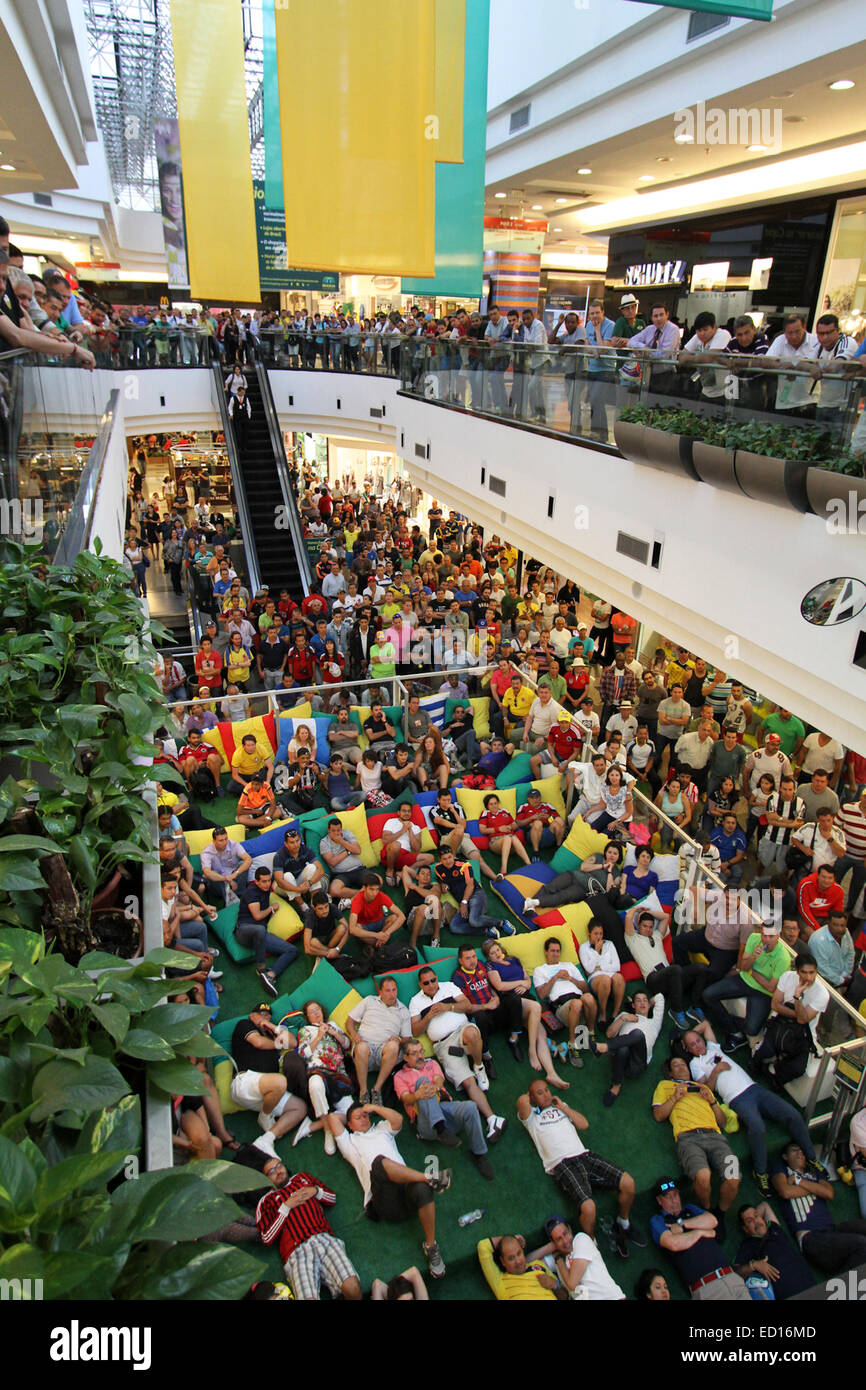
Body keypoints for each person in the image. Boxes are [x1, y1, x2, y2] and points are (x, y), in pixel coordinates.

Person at [684, 1019, 817, 1196]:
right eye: (692, 1045)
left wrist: (688, 1034)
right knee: (757, 1127)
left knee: (792, 1114)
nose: (698, 1045)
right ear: (688, 1050)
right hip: (737, 1098)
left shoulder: (713, 1047)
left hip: (755, 1089)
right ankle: (760, 1172)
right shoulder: (695, 1063)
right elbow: (705, 1088)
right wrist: (716, 1071)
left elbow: (707, 1024)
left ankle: (812, 1159)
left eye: (698, 1041)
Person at [517, 1081, 642, 1258]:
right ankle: (591, 1243)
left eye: (546, 1090)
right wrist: (529, 1097)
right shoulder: (531, 1119)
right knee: (589, 1208)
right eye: (539, 1093)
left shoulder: (561, 1107)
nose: (546, 1094)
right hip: (563, 1164)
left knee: (629, 1183)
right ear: (532, 1097)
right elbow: (521, 1102)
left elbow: (584, 1124)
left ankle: (624, 1222)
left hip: (585, 1156)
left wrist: (564, 1108)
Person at [326, 1103, 451, 1280]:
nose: (363, 1119)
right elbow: (332, 1118)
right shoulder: (349, 1142)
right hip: (385, 1199)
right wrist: (349, 1114)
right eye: (358, 1118)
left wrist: (373, 1108)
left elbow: (398, 1119)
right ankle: (429, 1178)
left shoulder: (382, 1129)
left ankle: (431, 1246)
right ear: (349, 1125)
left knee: (422, 1188)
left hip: (407, 1188)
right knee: (378, 1163)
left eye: (365, 1116)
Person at [238, 1137, 361, 1301]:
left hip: (324, 1240)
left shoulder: (303, 1179)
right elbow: (266, 1238)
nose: (278, 1171)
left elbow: (332, 1198)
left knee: (352, 1288)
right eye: (271, 1172)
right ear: (266, 1179)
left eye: (279, 1166)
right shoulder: (266, 1201)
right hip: (296, 1254)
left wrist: (316, 1191)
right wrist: (285, 1208)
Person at [408, 966, 508, 1144]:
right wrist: (428, 1016)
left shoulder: (449, 986)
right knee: (468, 1082)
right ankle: (493, 1119)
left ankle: (479, 1066)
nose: (431, 985)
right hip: (444, 1044)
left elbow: (468, 1006)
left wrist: (448, 1007)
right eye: (426, 983)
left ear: (437, 978)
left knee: (472, 1033)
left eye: (433, 980)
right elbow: (415, 1030)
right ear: (420, 984)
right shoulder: (415, 1001)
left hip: (462, 1030)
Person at [653, 1054, 740, 1223]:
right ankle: (707, 1209)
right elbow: (658, 1115)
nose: (681, 1067)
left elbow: (722, 1122)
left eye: (683, 1064)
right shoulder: (664, 1086)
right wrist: (674, 1097)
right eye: (676, 1065)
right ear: (670, 1073)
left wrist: (712, 1102)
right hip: (688, 1138)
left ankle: (720, 1214)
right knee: (703, 1175)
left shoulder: (702, 1087)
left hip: (716, 1136)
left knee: (734, 1176)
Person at [393, 1038, 494, 1179]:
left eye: (421, 1051)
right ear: (405, 1057)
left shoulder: (432, 1063)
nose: (420, 1056)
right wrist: (417, 1094)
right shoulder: (399, 1076)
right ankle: (440, 1129)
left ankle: (479, 1154)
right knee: (422, 1082)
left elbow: (439, 1080)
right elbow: (406, 1099)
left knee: (471, 1106)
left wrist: (435, 1087)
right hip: (426, 1124)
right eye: (415, 1053)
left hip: (446, 1110)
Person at [482, 938, 570, 1088]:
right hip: (511, 1001)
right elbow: (500, 986)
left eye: (497, 950)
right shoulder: (491, 966)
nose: (496, 954)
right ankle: (531, 1051)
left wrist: (526, 984)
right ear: (488, 956)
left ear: (501, 949)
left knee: (541, 1035)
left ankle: (552, 1074)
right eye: (492, 953)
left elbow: (526, 979)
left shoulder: (514, 959)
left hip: (526, 999)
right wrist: (520, 983)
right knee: (536, 1007)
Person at [771, 1140, 866, 1275]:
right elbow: (786, 1192)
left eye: (802, 1151)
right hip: (810, 1238)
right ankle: (844, 1292)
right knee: (862, 1244)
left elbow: (829, 1193)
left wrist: (798, 1182)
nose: (800, 1153)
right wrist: (817, 1189)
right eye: (794, 1150)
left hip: (832, 1231)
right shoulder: (780, 1168)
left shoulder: (815, 1172)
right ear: (785, 1156)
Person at [650, 1177, 750, 1301]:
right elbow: (673, 1243)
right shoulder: (658, 1220)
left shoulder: (689, 1209)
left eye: (675, 1195)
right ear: (660, 1201)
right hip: (707, 1288)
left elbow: (712, 1221)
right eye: (668, 1197)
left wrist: (683, 1224)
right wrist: (701, 1232)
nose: (674, 1200)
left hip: (732, 1278)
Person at [701, 920, 789, 1050]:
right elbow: (743, 967)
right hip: (744, 980)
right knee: (708, 995)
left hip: (763, 993)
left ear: (778, 936)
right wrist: (753, 958)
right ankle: (734, 1032)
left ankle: (736, 1029)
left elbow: (770, 987)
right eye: (764, 935)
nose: (766, 939)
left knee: (752, 1029)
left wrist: (753, 972)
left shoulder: (783, 958)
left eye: (771, 936)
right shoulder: (754, 939)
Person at [229, 1005, 308, 1137]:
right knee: (280, 1082)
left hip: (268, 1095)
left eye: (268, 1016)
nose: (265, 1017)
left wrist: (272, 1026)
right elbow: (258, 1043)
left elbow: (293, 1043)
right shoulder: (245, 1024)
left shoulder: (271, 1037)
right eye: (262, 1014)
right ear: (252, 1015)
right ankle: (265, 1116)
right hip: (245, 1082)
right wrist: (279, 1044)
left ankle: (267, 1139)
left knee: (300, 1108)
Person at [532, 937, 600, 1068]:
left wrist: (570, 978)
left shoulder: (569, 965)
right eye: (552, 951)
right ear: (546, 952)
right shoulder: (540, 970)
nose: (556, 954)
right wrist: (555, 977)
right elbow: (541, 994)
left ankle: (590, 1033)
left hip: (580, 1001)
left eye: (558, 951)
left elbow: (586, 989)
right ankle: (573, 1044)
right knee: (576, 1003)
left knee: (589, 998)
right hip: (562, 1006)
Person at [345, 975, 412, 1104]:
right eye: (387, 990)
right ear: (380, 991)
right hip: (365, 1048)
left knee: (393, 1046)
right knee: (362, 1047)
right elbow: (350, 1022)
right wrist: (354, 1035)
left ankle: (377, 1089)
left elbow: (407, 1038)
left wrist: (399, 1040)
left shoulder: (403, 1010)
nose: (392, 994)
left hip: (385, 1052)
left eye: (394, 990)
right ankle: (363, 1091)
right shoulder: (369, 1001)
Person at [235, 866, 298, 995]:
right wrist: (271, 908)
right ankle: (261, 968)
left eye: (269, 880)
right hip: (244, 931)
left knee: (292, 950)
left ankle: (270, 975)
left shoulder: (268, 889)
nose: (267, 883)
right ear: (256, 881)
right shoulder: (251, 891)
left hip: (261, 934)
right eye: (264, 881)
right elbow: (257, 916)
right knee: (259, 930)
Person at [733, 1202, 815, 1301]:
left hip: (810, 1285)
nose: (756, 1221)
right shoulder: (748, 1244)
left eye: (756, 1216)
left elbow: (765, 1206)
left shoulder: (774, 1227)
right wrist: (753, 1265)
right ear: (745, 1229)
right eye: (749, 1221)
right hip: (789, 1292)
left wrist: (756, 1218)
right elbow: (735, 1274)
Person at [534, 1215, 626, 1301]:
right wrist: (549, 1247)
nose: (565, 1241)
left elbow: (572, 1284)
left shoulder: (581, 1240)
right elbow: (527, 1263)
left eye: (565, 1234)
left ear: (570, 1229)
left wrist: (559, 1261)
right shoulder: (558, 1261)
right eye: (559, 1239)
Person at [476, 1234, 559, 1301]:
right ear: (503, 1261)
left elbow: (566, 1296)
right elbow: (483, 1247)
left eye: (519, 1254)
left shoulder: (539, 1265)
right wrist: (511, 1239)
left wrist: (556, 1286)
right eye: (511, 1258)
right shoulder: (500, 1282)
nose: (518, 1261)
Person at [579, 923, 626, 1030]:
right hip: (596, 978)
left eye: (601, 933)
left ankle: (615, 1013)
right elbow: (589, 969)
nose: (599, 937)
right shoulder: (584, 947)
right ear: (589, 933)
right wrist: (596, 951)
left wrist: (600, 967)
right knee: (605, 980)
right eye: (596, 934)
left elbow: (617, 966)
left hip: (611, 975)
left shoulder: (609, 944)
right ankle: (603, 1014)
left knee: (619, 978)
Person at [347, 872, 407, 954]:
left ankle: (375, 944)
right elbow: (352, 929)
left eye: (377, 889)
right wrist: (376, 935)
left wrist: (387, 933)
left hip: (379, 923)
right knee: (357, 927)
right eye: (371, 889)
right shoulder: (357, 900)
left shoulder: (381, 896)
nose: (374, 893)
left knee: (395, 918)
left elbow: (402, 916)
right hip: (364, 926)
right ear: (364, 888)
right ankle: (378, 945)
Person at [380, 802, 434, 886]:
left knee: (430, 858)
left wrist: (410, 830)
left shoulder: (416, 827)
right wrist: (402, 830)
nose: (407, 813)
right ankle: (390, 870)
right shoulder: (391, 822)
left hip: (405, 856)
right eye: (404, 811)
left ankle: (401, 873)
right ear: (398, 812)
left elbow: (416, 849)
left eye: (409, 811)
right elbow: (385, 840)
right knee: (396, 845)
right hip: (390, 854)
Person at [479, 793, 532, 877]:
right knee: (509, 838)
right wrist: (498, 829)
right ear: (487, 806)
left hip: (512, 843)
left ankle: (529, 864)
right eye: (491, 804)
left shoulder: (504, 811)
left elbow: (515, 825)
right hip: (496, 842)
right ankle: (504, 869)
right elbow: (482, 830)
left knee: (513, 837)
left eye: (495, 803)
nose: (494, 806)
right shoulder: (485, 813)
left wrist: (510, 827)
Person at [272, 826, 326, 906]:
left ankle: (314, 904)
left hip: (299, 880)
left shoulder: (305, 849)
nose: (296, 845)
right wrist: (298, 889)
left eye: (297, 841)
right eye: (292, 842)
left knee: (312, 867)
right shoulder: (279, 856)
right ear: (286, 844)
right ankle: (303, 907)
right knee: (287, 876)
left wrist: (309, 883)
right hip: (282, 887)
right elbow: (280, 882)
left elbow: (321, 870)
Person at [200, 827, 253, 905]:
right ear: (214, 841)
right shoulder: (207, 852)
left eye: (226, 839)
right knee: (212, 873)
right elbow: (207, 872)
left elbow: (249, 859)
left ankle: (239, 894)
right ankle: (229, 899)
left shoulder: (233, 845)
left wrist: (234, 874)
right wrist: (226, 879)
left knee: (243, 864)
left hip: (234, 876)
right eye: (221, 840)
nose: (225, 842)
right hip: (219, 882)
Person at [302, 891, 349, 962]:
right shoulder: (310, 915)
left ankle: (326, 954)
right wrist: (329, 953)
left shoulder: (332, 907)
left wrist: (338, 948)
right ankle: (331, 954)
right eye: (320, 908)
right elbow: (307, 949)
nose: (324, 911)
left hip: (331, 936)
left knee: (343, 928)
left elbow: (348, 928)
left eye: (326, 907)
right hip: (318, 940)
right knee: (312, 942)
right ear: (314, 908)